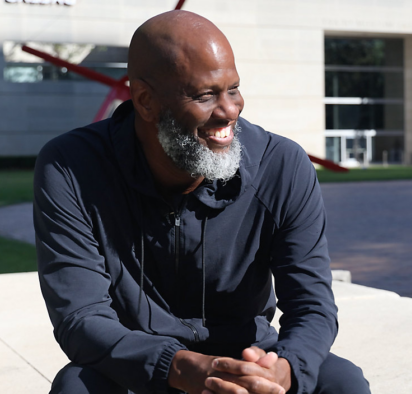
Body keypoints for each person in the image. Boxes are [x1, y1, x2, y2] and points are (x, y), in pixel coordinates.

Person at [34, 10, 370, 394]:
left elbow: (312, 305)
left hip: (249, 360)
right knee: (77, 386)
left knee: (342, 382)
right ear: (145, 100)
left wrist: (284, 369)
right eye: (206, 95)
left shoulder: (282, 165)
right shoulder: (72, 167)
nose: (229, 110)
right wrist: (175, 366)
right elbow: (79, 316)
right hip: (140, 365)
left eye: (233, 89)